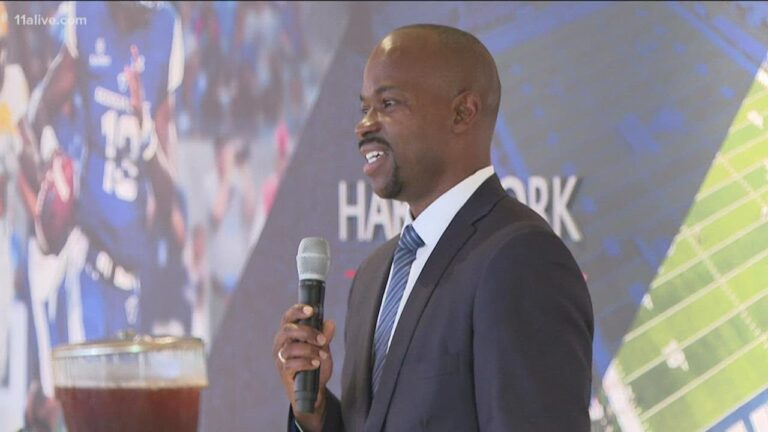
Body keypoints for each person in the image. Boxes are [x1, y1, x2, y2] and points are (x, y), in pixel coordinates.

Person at [273, 24, 594, 431]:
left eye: (388, 103)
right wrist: (315, 413)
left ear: (462, 113)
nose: (364, 125)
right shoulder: (373, 275)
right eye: (364, 108)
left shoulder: (521, 258)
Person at [26, 1, 184, 340]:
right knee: (85, 373)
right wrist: (51, 154)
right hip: (88, 260)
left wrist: (146, 136)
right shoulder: (87, 14)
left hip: (134, 276)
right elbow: (39, 109)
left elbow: (167, 194)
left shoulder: (166, 28)